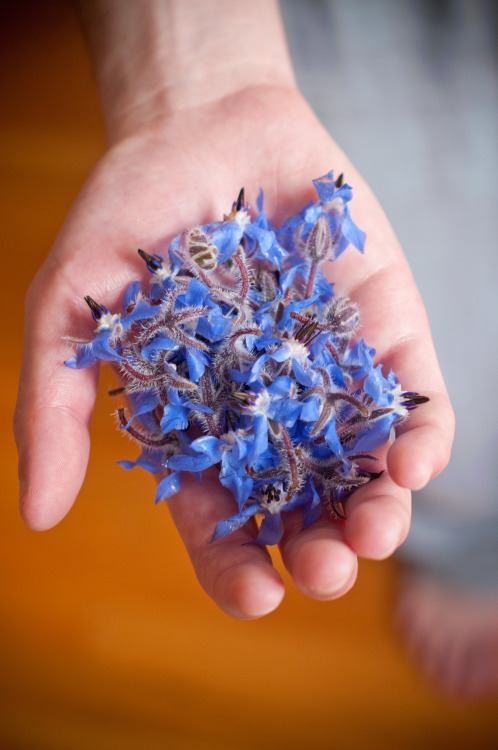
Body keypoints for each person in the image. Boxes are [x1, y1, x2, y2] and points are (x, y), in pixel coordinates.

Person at [13, 0, 453, 621]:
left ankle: (459, 552)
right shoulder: (202, 324)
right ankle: (458, 552)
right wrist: (206, 76)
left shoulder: (296, 300)